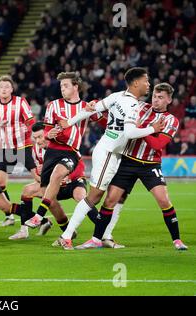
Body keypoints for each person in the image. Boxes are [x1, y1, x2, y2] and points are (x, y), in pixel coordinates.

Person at [58, 67, 165, 250]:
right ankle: (66, 235)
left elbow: (91, 108)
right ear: (136, 82)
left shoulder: (117, 96)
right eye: (146, 81)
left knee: (117, 196)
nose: (149, 84)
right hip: (108, 152)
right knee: (94, 196)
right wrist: (152, 129)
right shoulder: (131, 104)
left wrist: (70, 121)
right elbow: (130, 132)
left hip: (113, 152)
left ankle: (106, 236)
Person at [97, 83, 188, 250]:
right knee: (112, 199)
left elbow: (158, 143)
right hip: (128, 160)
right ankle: (102, 238)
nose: (156, 100)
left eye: (160, 97)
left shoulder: (171, 120)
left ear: (169, 99)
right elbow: (119, 119)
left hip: (150, 164)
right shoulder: (139, 106)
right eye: (154, 96)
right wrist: (98, 112)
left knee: (163, 200)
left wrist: (139, 128)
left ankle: (177, 240)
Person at [23, 72, 105, 237]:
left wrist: (97, 104)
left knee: (63, 178)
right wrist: (49, 133)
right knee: (49, 196)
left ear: (76, 86)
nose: (62, 88)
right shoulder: (53, 105)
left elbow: (102, 119)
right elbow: (46, 129)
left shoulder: (85, 107)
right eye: (61, 86)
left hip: (71, 152)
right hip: (53, 151)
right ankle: (67, 232)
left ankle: (39, 216)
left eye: (66, 85)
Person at [9, 122, 98, 240]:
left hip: (73, 181)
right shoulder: (36, 150)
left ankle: (102, 227)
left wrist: (68, 177)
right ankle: (24, 230)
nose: (38, 141)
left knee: (81, 197)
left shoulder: (62, 142)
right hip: (54, 184)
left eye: (40, 137)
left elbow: (79, 164)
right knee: (28, 190)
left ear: (48, 133)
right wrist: (41, 173)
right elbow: (39, 177)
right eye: (35, 138)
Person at [0, 76, 37, 226]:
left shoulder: (20, 102)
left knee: (38, 177)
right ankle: (9, 216)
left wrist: (32, 134)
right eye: (1, 87)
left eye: (6, 87)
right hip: (5, 148)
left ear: (11, 89)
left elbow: (30, 121)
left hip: (23, 145)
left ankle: (49, 204)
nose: (3, 89)